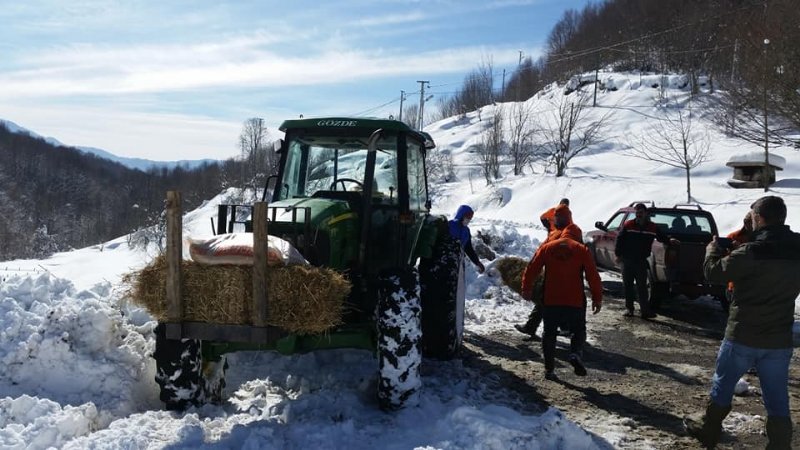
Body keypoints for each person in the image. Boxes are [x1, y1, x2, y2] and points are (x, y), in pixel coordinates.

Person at [684, 196, 800, 449]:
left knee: (723, 384)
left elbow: (713, 272)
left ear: (759, 218)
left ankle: (708, 429)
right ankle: (780, 444)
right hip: (779, 338)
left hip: (743, 334)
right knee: (777, 395)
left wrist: (712, 249)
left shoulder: (751, 251)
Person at [520, 235, 603, 380]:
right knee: (578, 330)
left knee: (549, 332)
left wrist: (526, 288)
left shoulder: (547, 248)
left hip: (551, 299)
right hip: (574, 300)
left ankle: (549, 369)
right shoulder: (581, 249)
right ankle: (575, 353)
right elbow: (592, 275)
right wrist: (597, 297)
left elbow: (532, 267)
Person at [515, 204, 583, 339]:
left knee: (554, 304)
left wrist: (527, 285)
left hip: (559, 278)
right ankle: (534, 327)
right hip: (561, 277)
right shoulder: (565, 231)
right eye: (555, 216)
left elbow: (538, 259)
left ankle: (566, 332)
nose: (555, 219)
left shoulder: (568, 234)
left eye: (558, 216)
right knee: (545, 301)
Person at [614, 203, 677, 319]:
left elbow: (661, 237)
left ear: (645, 214)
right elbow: (620, 239)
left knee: (642, 286)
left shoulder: (652, 227)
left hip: (641, 261)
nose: (639, 215)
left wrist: (669, 241)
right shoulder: (629, 225)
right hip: (627, 260)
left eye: (641, 213)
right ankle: (629, 309)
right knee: (628, 285)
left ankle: (645, 311)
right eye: (637, 213)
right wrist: (618, 255)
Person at [448, 205, 485, 273]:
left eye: (470, 217)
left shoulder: (466, 231)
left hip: (458, 262)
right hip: (446, 261)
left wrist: (477, 262)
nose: (469, 219)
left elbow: (468, 249)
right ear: (461, 214)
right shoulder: (450, 225)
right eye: (467, 216)